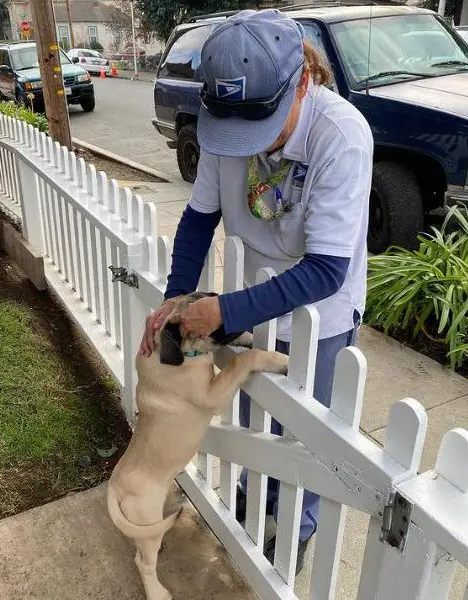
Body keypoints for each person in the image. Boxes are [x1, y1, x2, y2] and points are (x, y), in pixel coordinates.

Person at [140, 8, 372, 574]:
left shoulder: (340, 136)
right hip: (247, 306)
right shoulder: (226, 121)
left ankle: (296, 534)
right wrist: (179, 299)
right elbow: (199, 220)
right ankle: (252, 500)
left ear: (300, 83)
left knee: (307, 440)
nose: (244, 143)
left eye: (260, 128)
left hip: (321, 314)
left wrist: (224, 311)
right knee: (253, 415)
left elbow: (326, 270)